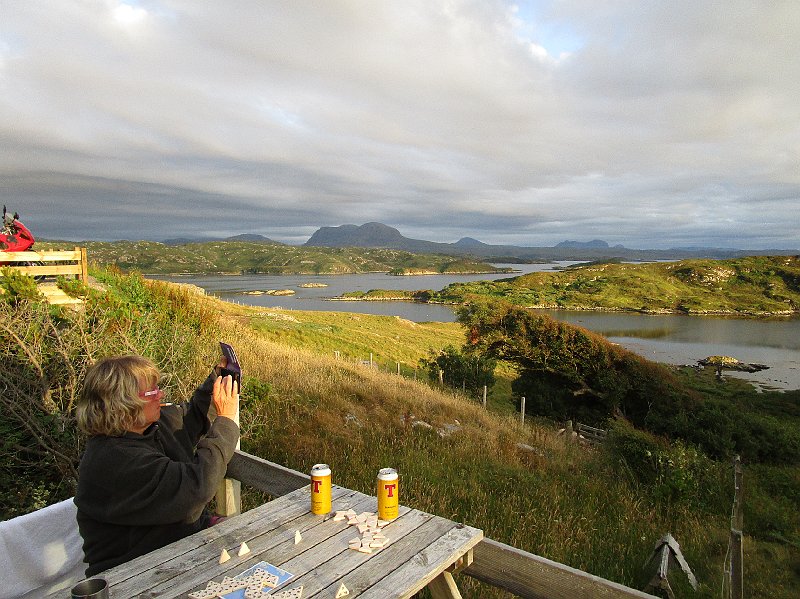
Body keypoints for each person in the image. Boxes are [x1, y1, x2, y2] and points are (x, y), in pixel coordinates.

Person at [74, 353, 240, 576]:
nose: (161, 394)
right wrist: (226, 420)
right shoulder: (112, 460)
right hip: (134, 576)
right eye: (152, 392)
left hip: (179, 551)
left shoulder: (148, 428)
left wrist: (218, 380)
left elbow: (193, 416)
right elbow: (199, 486)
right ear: (124, 404)